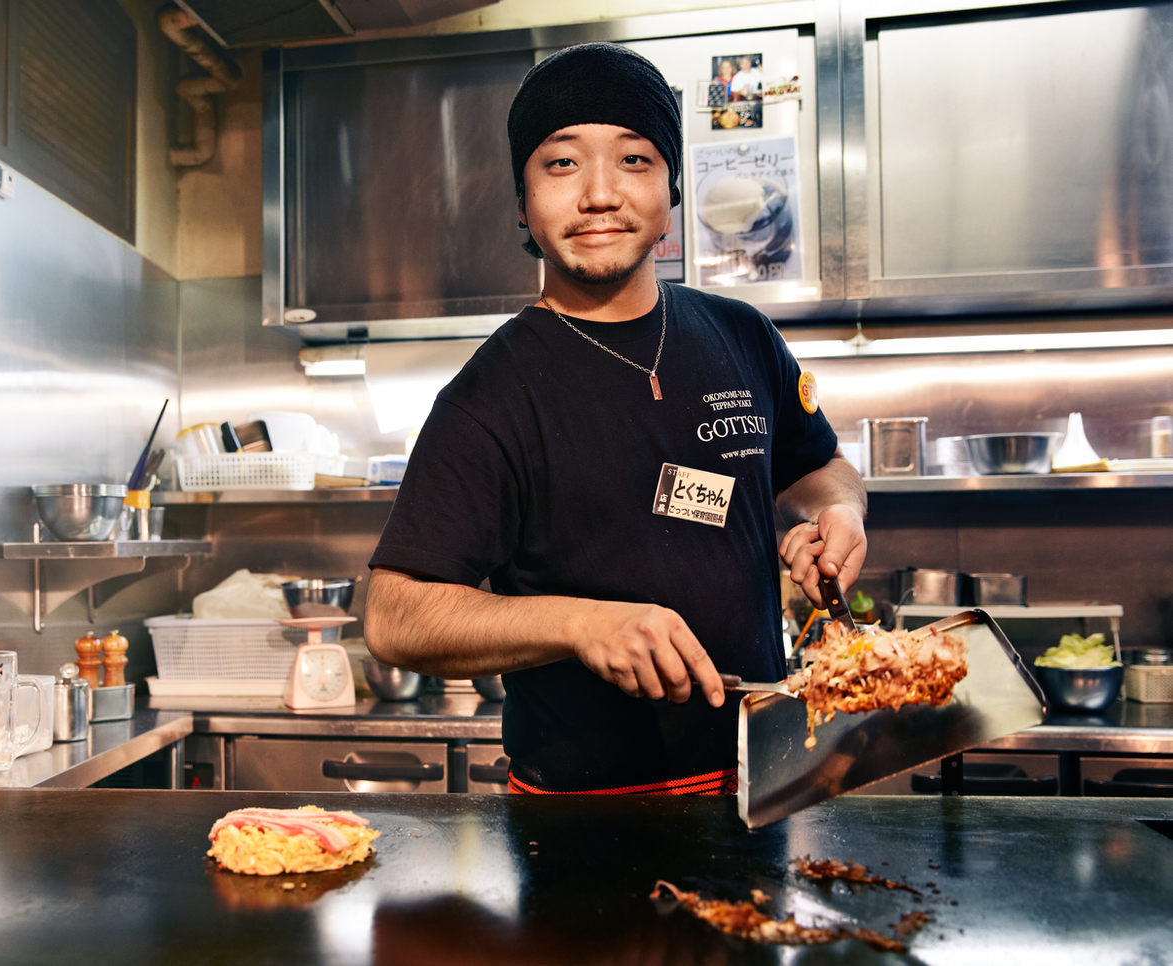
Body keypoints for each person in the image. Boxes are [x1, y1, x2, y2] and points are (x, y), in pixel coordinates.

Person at [364, 42, 866, 795]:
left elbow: (817, 467)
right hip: (584, 815)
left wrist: (839, 512)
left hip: (763, 780)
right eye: (562, 163)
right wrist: (580, 624)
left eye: (634, 159)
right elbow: (395, 616)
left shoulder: (742, 336)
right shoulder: (490, 396)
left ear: (670, 188)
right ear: (522, 201)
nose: (600, 194)